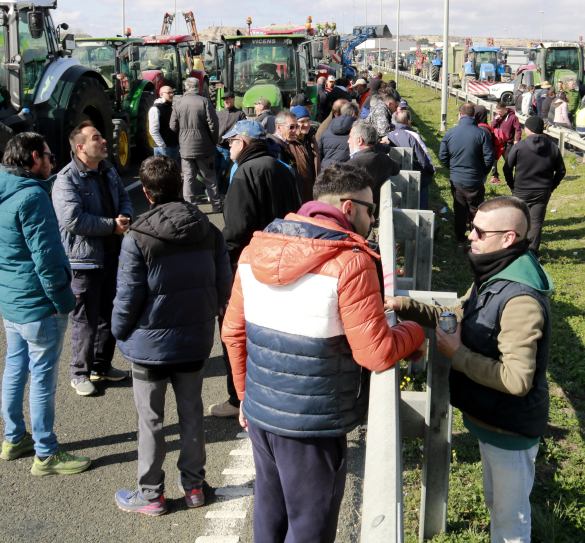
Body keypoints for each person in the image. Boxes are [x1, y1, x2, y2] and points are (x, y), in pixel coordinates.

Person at [221, 163, 426, 543]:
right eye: (369, 210)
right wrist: (414, 333)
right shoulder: (350, 260)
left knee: (270, 512)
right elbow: (376, 352)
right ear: (348, 208)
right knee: (310, 527)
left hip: (262, 413)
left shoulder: (256, 250)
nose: (372, 219)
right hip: (312, 424)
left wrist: (246, 399)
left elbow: (232, 333)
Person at [383, 196, 553, 543]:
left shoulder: (520, 299)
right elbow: (454, 317)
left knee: (510, 525)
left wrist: (457, 354)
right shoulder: (494, 275)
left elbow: (517, 379)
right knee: (496, 504)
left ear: (508, 238)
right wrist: (404, 305)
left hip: (509, 430)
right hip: (491, 421)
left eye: (478, 231)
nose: (469, 235)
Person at [112, 156, 233, 515]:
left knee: (150, 418)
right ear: (180, 186)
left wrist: (120, 334)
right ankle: (195, 486)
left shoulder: (138, 237)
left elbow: (127, 297)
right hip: (195, 338)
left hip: (149, 344)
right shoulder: (208, 230)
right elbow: (225, 287)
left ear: (146, 194)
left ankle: (151, 494)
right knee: (192, 411)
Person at [0, 132, 90, 476]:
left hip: (10, 300)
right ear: (32, 158)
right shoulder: (31, 197)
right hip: (39, 304)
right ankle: (46, 453)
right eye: (48, 155)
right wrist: (64, 301)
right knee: (42, 379)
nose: (53, 161)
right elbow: (49, 259)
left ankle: (13, 439)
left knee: (15, 367)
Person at [211, 120, 302, 419]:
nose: (229, 148)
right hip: (285, 259)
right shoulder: (282, 168)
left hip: (251, 264)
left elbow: (236, 229)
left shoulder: (245, 173)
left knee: (235, 331)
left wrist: (222, 261)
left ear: (245, 142)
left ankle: (238, 399)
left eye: (232, 142)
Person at [52, 122, 133, 397]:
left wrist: (124, 217)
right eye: (96, 138)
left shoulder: (108, 170)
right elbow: (72, 220)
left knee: (109, 313)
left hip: (113, 253)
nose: (104, 141)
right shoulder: (67, 179)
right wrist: (112, 225)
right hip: (83, 261)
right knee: (85, 319)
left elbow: (124, 197)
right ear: (80, 147)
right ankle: (79, 373)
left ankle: (101, 365)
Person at [503, 116, 566, 256]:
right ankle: (531, 254)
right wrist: (551, 187)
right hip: (542, 191)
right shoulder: (552, 147)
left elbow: (507, 168)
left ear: (529, 129)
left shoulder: (519, 146)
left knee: (518, 220)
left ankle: (515, 252)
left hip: (521, 190)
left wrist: (512, 185)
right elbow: (561, 171)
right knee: (536, 223)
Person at [439, 102, 496, 253]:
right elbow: (489, 157)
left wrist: (453, 168)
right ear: (473, 116)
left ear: (459, 115)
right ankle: (476, 240)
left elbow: (442, 156)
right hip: (475, 179)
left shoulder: (450, 134)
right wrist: (483, 172)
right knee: (476, 211)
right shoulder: (481, 133)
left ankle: (460, 242)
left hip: (457, 180)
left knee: (459, 210)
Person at [171, 77, 222, 210]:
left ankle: (190, 206)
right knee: (209, 177)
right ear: (199, 87)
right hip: (205, 147)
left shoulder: (179, 103)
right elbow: (213, 124)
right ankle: (216, 205)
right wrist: (213, 140)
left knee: (188, 177)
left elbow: (172, 125)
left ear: (186, 88)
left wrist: (182, 135)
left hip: (186, 147)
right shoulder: (204, 101)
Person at [386, 109, 436, 210]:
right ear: (408, 121)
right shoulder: (413, 136)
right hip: (417, 176)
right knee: (421, 204)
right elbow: (424, 157)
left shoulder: (389, 136)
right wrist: (431, 170)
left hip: (397, 175)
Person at [348, 119, 401, 209]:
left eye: (350, 137)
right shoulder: (384, 159)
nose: (348, 141)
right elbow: (397, 169)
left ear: (359, 140)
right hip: (375, 212)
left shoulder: (351, 165)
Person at [215, 91, 246, 193]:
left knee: (223, 172)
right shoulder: (218, 114)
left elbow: (242, 130)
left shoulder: (240, 114)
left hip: (228, 148)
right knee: (215, 170)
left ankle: (219, 191)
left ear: (233, 99)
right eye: (224, 100)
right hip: (216, 147)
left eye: (228, 99)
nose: (226, 101)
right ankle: (219, 192)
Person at [288, 105, 319, 203]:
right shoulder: (289, 144)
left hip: (312, 193)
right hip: (298, 197)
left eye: (308, 121)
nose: (306, 124)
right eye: (302, 122)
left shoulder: (312, 140)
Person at [319, 102, 358, 168]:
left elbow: (318, 155)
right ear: (353, 115)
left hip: (326, 172)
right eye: (359, 115)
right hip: (346, 173)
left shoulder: (325, 132)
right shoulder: (356, 134)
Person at [148, 86, 178, 158]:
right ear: (161, 94)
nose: (171, 95)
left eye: (172, 93)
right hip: (164, 149)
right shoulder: (155, 109)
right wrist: (163, 146)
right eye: (168, 93)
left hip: (173, 146)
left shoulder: (170, 108)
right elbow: (153, 130)